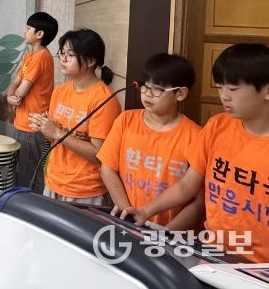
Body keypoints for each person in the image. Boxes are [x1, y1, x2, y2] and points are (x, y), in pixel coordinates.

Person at [122, 43, 269, 262]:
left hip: (259, 266)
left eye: (232, 89)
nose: (224, 96)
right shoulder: (217, 126)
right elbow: (186, 185)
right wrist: (145, 211)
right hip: (212, 253)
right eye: (219, 87)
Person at [97, 53, 203, 229]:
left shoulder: (196, 136)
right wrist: (128, 214)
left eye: (157, 89)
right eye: (145, 87)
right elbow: (107, 169)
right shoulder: (126, 120)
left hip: (168, 232)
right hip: (127, 223)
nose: (147, 94)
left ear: (180, 93)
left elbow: (199, 199)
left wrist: (164, 234)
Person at [29, 28, 121, 205]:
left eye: (70, 55)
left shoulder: (104, 99)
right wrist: (44, 127)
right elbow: (54, 139)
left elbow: (98, 154)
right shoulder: (60, 91)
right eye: (62, 53)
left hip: (85, 189)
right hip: (54, 181)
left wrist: (57, 133)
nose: (63, 59)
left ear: (91, 61)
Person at [5, 12, 58, 190]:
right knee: (21, 170)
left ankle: (28, 205)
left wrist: (13, 97)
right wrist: (10, 96)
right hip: (22, 122)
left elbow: (21, 91)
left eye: (28, 28)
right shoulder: (29, 56)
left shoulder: (42, 56)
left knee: (28, 175)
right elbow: (15, 83)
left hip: (32, 125)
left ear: (39, 34)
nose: (24, 31)